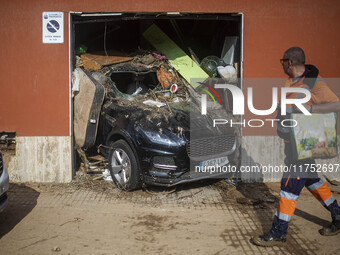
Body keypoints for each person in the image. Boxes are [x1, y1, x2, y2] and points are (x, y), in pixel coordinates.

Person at [252, 47, 340, 247]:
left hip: (300, 148)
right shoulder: (291, 82)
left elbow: (336, 104)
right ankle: (338, 215)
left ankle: (278, 232)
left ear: (290, 62)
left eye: (282, 60)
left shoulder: (313, 83)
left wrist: (310, 108)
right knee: (314, 182)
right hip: (292, 144)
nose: (281, 64)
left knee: (288, 188)